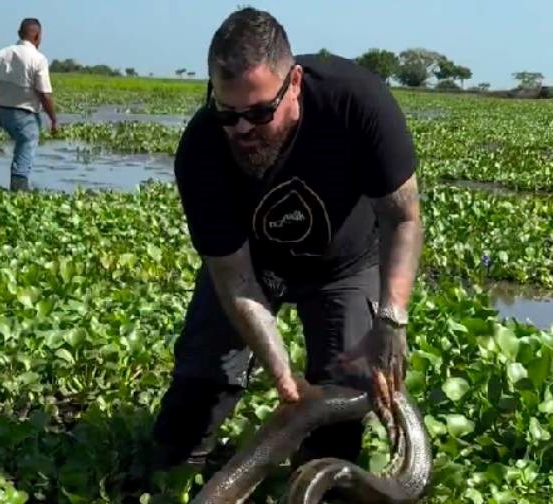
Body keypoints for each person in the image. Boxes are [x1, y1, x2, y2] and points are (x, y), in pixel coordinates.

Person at [147, 8, 423, 473]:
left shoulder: (357, 103)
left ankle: (318, 483)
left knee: (345, 390)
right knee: (200, 384)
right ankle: (178, 470)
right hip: (256, 265)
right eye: (226, 112)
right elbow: (234, 279)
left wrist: (392, 318)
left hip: (345, 263)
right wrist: (281, 373)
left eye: (259, 114)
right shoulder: (201, 149)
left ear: (293, 82)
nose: (241, 131)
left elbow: (402, 217)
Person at [0, 17, 58, 191]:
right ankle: (19, 190)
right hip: (25, 115)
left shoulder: (0, 54)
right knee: (27, 144)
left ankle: (18, 185)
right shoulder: (38, 59)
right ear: (37, 37)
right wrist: (53, 119)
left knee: (21, 146)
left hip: (4, 112)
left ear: (20, 34)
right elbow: (44, 94)